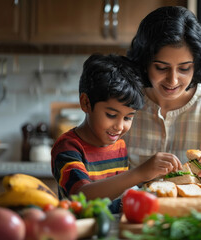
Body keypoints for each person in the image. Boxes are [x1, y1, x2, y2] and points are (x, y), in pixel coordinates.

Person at [124, 6, 201, 198]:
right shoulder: (124, 104)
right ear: (144, 62)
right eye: (161, 67)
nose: (172, 80)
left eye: (184, 68)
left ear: (197, 64)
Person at [51, 54, 182, 213]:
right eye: (111, 115)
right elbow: (82, 197)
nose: (119, 127)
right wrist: (140, 173)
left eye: (128, 117)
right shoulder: (68, 147)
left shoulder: (118, 145)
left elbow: (120, 192)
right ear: (86, 103)